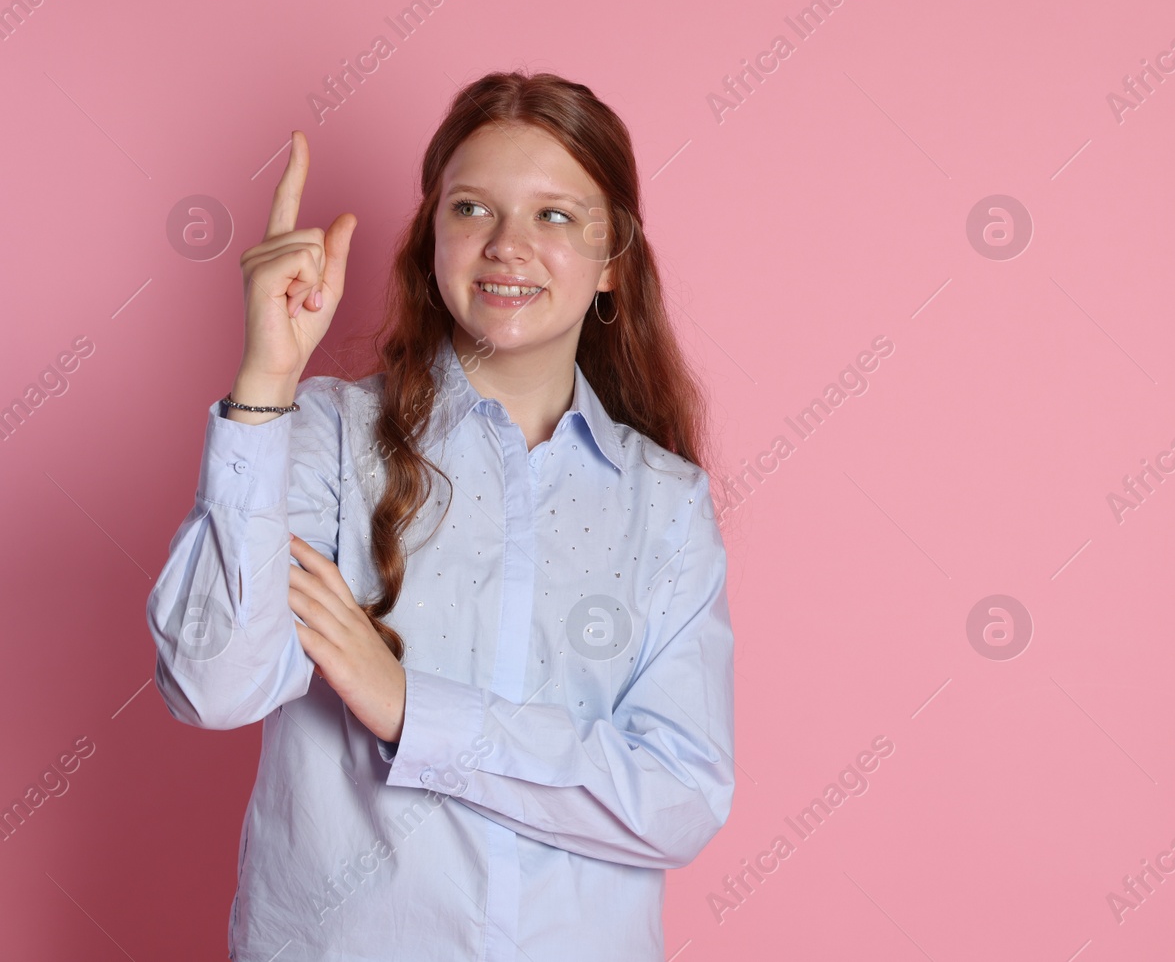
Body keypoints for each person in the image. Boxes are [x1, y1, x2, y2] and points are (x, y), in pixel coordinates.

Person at [145, 71, 736, 961]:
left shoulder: (669, 506)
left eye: (555, 216)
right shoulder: (325, 438)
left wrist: (414, 710)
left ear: (613, 257)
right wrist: (265, 382)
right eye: (471, 209)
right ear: (431, 239)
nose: (508, 245)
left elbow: (679, 796)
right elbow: (213, 685)